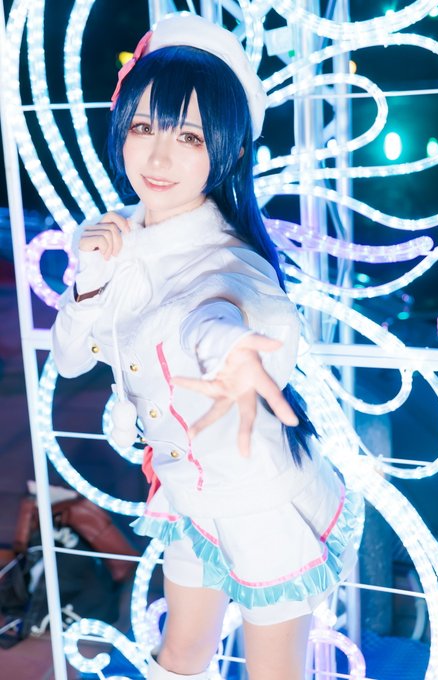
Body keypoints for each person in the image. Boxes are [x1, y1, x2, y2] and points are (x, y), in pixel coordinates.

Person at [52, 13, 361, 680]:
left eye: (189, 136)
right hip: (185, 493)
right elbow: (71, 362)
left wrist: (240, 353)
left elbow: (232, 315)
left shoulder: (224, 260)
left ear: (228, 150)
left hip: (255, 501)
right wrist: (90, 280)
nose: (158, 158)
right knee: (180, 656)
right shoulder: (116, 235)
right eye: (143, 127)